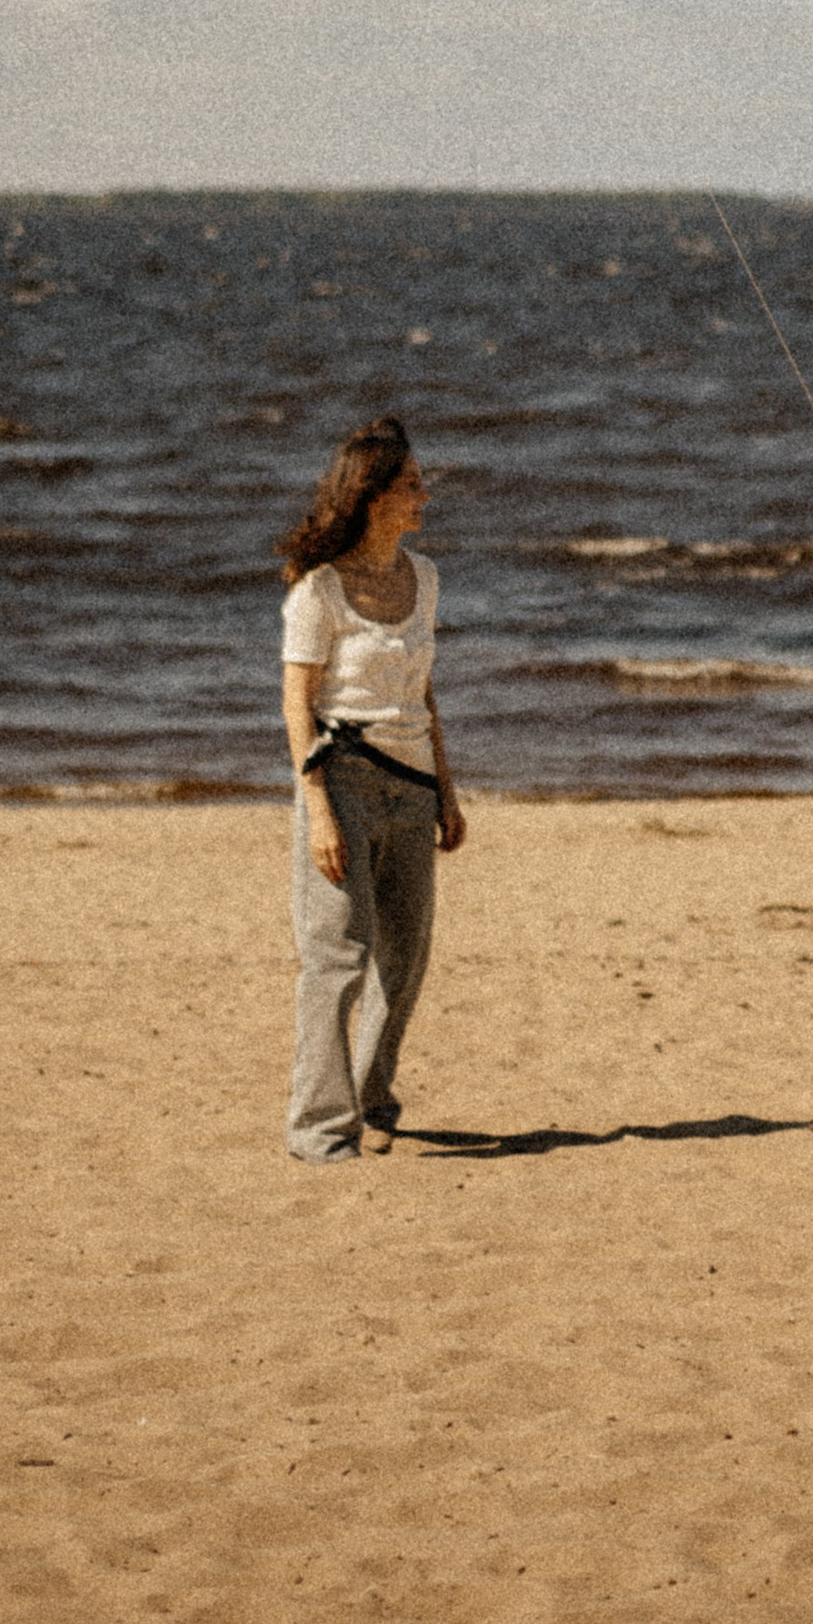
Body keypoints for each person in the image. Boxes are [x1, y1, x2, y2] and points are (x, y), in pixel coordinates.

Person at [277, 412, 467, 1163]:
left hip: (412, 785)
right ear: (373, 496)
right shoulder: (318, 592)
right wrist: (318, 810)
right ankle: (319, 1130)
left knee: (405, 957)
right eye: (413, 485)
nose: (425, 496)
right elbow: (297, 705)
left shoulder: (426, 578)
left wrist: (447, 790)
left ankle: (372, 1098)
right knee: (337, 958)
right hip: (343, 784)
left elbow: (424, 693)